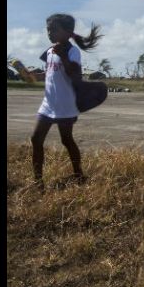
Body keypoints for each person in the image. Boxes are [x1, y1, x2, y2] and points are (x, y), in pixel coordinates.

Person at [30, 13, 102, 191]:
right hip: (48, 103)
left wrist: (63, 56)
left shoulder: (72, 51)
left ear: (68, 32)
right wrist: (31, 76)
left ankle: (78, 174)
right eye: (48, 30)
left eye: (54, 29)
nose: (49, 33)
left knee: (66, 140)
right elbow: (47, 73)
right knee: (35, 139)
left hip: (65, 105)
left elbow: (75, 75)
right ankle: (38, 182)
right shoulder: (49, 51)